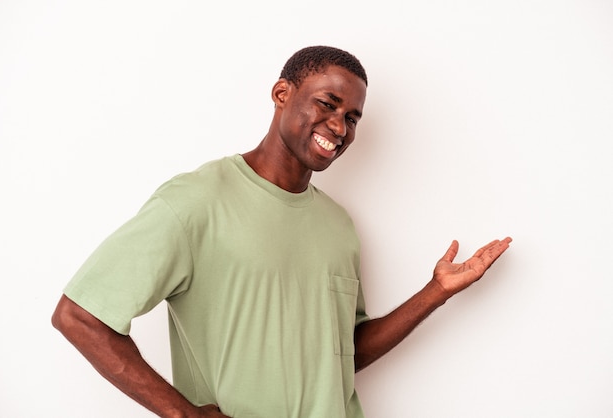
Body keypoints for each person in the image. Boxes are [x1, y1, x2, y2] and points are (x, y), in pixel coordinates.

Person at [52, 45, 511, 418]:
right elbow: (79, 316)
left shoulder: (337, 226)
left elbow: (341, 355)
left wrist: (436, 292)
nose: (339, 126)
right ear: (281, 93)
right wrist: (183, 414)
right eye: (328, 104)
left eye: (352, 117)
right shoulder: (196, 201)